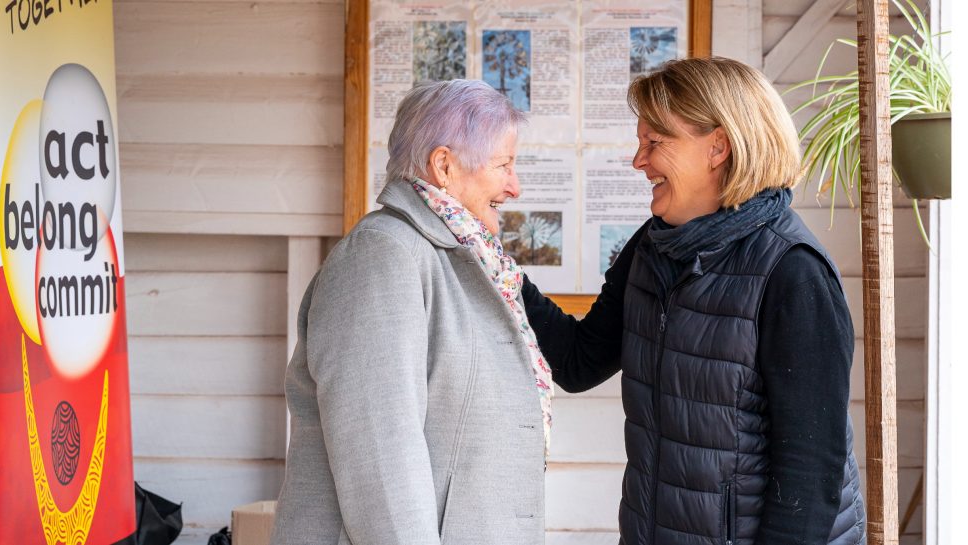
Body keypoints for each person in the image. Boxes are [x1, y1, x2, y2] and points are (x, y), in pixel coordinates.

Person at [523, 57, 866, 545]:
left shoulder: (793, 271)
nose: (638, 160)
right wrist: (498, 270)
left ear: (718, 148)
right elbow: (579, 362)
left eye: (654, 142)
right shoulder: (653, 246)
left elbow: (811, 475)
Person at [271, 79, 552, 545]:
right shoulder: (382, 257)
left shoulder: (464, 258)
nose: (515, 187)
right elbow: (380, 456)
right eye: (504, 165)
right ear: (444, 166)